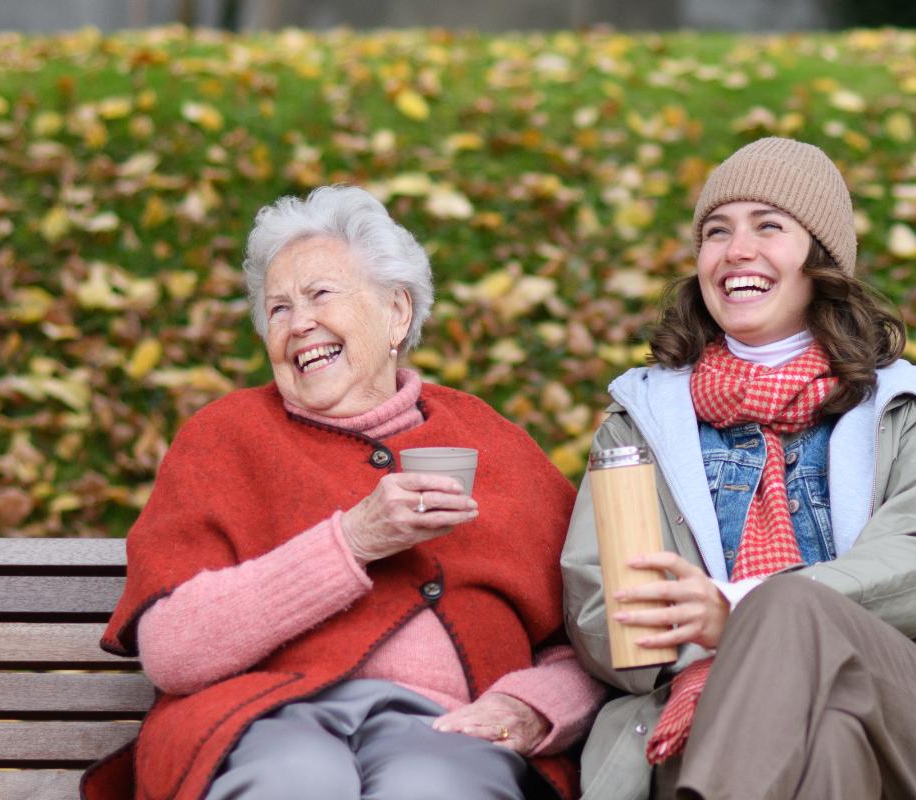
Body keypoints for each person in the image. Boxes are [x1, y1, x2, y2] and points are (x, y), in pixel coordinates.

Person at [561, 138, 916, 800]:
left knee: (791, 605)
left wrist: (737, 616)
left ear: (821, 259)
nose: (737, 250)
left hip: (908, 723)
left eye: (769, 226)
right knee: (826, 738)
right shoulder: (638, 424)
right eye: (717, 231)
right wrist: (704, 648)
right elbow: (603, 605)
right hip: (698, 718)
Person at [83, 186, 604, 800]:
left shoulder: (496, 445)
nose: (300, 322)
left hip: (445, 729)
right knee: (294, 781)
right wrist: (351, 542)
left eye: (321, 294)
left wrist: (533, 708)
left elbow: (590, 643)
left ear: (397, 314)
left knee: (437, 787)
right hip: (261, 717)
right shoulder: (224, 439)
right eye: (277, 309)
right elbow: (172, 651)